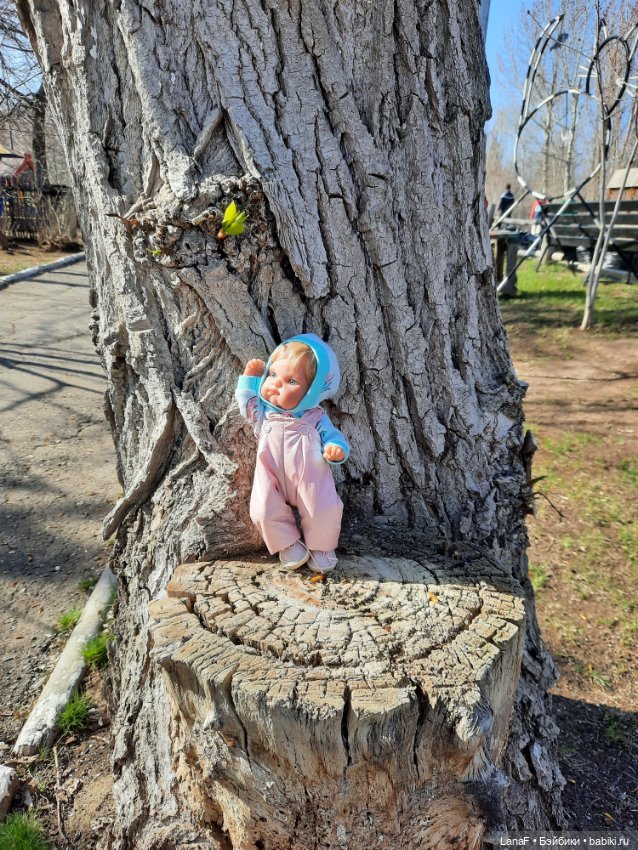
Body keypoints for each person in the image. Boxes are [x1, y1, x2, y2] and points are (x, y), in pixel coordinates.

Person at [236, 333, 349, 574]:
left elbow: (332, 435)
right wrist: (250, 378)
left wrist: (336, 449)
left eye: (292, 381)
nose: (276, 384)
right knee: (263, 508)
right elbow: (247, 403)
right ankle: (287, 543)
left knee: (323, 507)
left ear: (312, 391)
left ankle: (322, 546)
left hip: (310, 478)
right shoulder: (264, 414)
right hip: (271, 475)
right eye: (272, 374)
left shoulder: (315, 416)